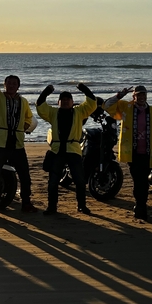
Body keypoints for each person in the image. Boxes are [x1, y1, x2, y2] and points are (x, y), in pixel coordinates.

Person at [103, 85, 152, 221]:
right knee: (137, 180)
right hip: (132, 153)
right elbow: (106, 106)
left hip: (148, 153)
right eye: (138, 95)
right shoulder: (126, 108)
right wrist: (120, 95)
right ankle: (140, 205)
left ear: (146, 96)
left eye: (143, 95)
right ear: (134, 97)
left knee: (144, 181)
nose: (141, 98)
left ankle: (141, 206)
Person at [0, 53, 36, 219]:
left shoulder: (23, 101)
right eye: (9, 83)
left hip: (17, 144)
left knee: (25, 175)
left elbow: (29, 117)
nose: (11, 86)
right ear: (4, 85)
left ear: (18, 86)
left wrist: (23, 127)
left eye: (14, 84)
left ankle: (26, 202)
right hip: (0, 142)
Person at [37, 82, 97, 216]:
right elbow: (40, 105)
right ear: (58, 102)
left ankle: (82, 206)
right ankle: (52, 207)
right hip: (57, 150)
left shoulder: (79, 111)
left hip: (73, 150)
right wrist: (47, 91)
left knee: (79, 180)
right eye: (62, 100)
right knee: (53, 181)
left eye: (67, 100)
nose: (65, 102)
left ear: (72, 101)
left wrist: (84, 89)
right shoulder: (53, 113)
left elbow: (92, 102)